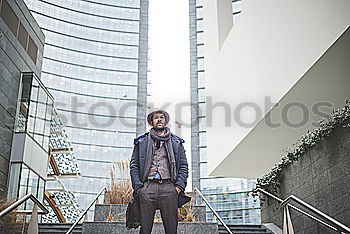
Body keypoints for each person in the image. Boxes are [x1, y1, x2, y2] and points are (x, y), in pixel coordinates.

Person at [130, 110, 189, 234]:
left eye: (162, 117)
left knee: (171, 228)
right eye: (156, 118)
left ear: (166, 121)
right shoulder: (141, 142)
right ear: (151, 122)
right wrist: (138, 188)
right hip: (147, 188)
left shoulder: (176, 142)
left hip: (169, 188)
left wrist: (178, 187)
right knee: (145, 229)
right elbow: (134, 166)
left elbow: (183, 166)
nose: (159, 120)